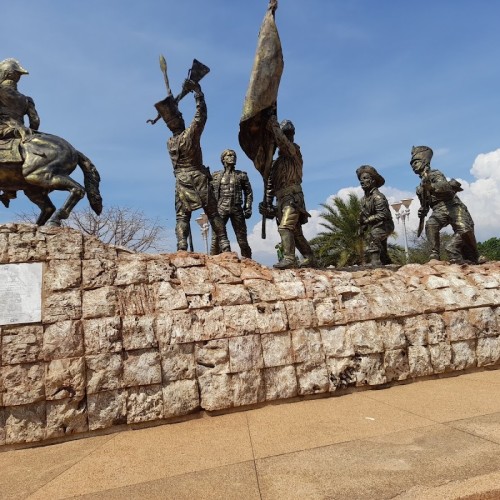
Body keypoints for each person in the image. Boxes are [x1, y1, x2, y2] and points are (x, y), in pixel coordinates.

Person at [153, 79, 231, 252]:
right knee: (213, 213)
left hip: (181, 181)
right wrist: (198, 94)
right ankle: (224, 243)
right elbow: (200, 116)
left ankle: (181, 245)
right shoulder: (189, 136)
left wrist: (172, 110)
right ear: (179, 119)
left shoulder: (170, 142)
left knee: (182, 217)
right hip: (198, 178)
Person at [259, 115, 315, 269]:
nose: (287, 137)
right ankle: (309, 257)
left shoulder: (294, 152)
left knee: (285, 228)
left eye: (288, 134)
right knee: (296, 233)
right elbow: (270, 184)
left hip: (293, 197)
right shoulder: (275, 164)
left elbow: (285, 145)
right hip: (280, 199)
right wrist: (267, 203)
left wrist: (274, 127)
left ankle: (289, 258)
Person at [411, 145, 479, 264]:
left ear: (424, 162)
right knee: (431, 225)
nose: (413, 166)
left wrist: (431, 186)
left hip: (452, 205)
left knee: (465, 229)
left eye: (415, 162)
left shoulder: (434, 174)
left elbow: (444, 186)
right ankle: (434, 253)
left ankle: (459, 250)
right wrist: (422, 210)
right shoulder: (419, 189)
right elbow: (425, 205)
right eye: (411, 164)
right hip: (438, 209)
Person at [0, 58, 40, 207]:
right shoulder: (26, 99)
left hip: (3, 128)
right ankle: (8, 189)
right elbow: (35, 121)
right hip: (22, 131)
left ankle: (8, 191)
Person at [210, 149, 253, 258]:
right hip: (221, 208)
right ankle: (212, 261)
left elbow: (248, 192)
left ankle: (248, 261)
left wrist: (248, 207)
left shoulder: (241, 175)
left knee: (242, 240)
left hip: (236, 209)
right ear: (223, 159)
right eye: (229, 155)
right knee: (216, 238)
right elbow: (208, 192)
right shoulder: (215, 176)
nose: (232, 157)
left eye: (233, 155)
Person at [357, 165, 394, 266]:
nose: (362, 181)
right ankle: (385, 259)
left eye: (365, 178)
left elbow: (383, 214)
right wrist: (362, 226)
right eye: (361, 179)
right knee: (381, 245)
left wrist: (368, 220)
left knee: (373, 235)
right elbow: (363, 215)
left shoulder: (378, 197)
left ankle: (375, 262)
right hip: (376, 225)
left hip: (386, 225)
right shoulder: (364, 200)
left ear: (373, 181)